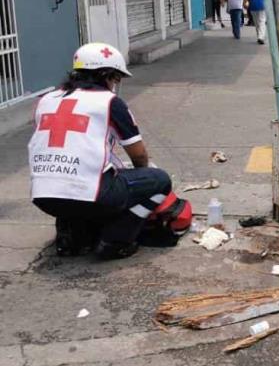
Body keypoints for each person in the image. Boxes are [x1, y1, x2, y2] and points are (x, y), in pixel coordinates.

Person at [27, 43, 173, 259]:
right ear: (107, 75)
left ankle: (69, 238)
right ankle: (115, 241)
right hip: (91, 197)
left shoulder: (46, 100)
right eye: (116, 78)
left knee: (75, 181)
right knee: (159, 180)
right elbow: (139, 155)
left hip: (44, 197)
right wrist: (142, 178)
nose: (116, 84)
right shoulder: (109, 102)